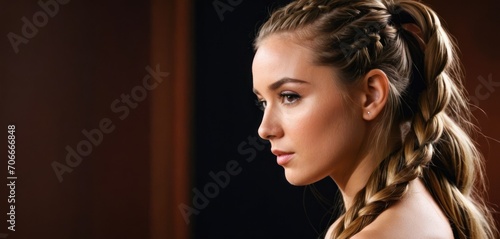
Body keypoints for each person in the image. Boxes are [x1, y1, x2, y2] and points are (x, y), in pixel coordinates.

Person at [251, 0, 499, 238]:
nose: (265, 129)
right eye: (263, 102)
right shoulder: (408, 217)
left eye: (290, 96)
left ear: (371, 95)